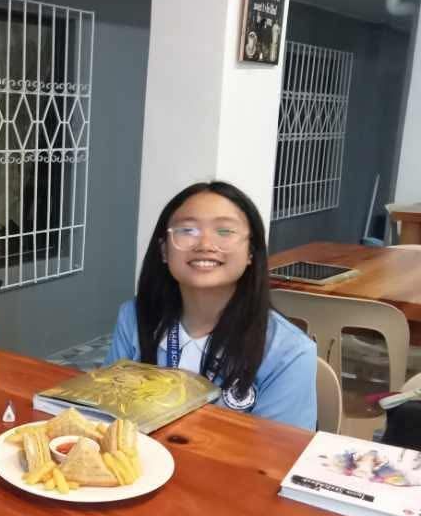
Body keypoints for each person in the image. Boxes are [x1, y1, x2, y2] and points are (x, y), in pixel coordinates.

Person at [103, 181, 316, 429]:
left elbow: (279, 456)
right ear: (163, 250)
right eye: (187, 230)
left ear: (251, 252)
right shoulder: (135, 316)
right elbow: (105, 412)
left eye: (224, 232)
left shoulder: (289, 352)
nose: (204, 244)